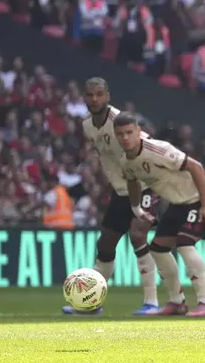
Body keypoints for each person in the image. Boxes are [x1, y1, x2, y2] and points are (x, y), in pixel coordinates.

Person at [62, 77, 159, 315]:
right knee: (105, 243)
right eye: (90, 95)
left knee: (138, 237)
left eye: (99, 94)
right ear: (84, 97)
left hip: (145, 186)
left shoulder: (120, 121)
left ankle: (152, 302)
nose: (94, 100)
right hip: (121, 191)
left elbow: (146, 145)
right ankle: (93, 303)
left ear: (107, 96)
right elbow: (107, 158)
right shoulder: (87, 125)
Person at [114, 112, 205, 317]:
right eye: (120, 134)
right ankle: (177, 302)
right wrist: (136, 209)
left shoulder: (157, 149)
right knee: (158, 249)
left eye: (129, 132)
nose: (125, 138)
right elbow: (133, 181)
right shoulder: (126, 161)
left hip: (201, 196)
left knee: (184, 243)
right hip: (179, 203)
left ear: (138, 131)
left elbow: (196, 167)